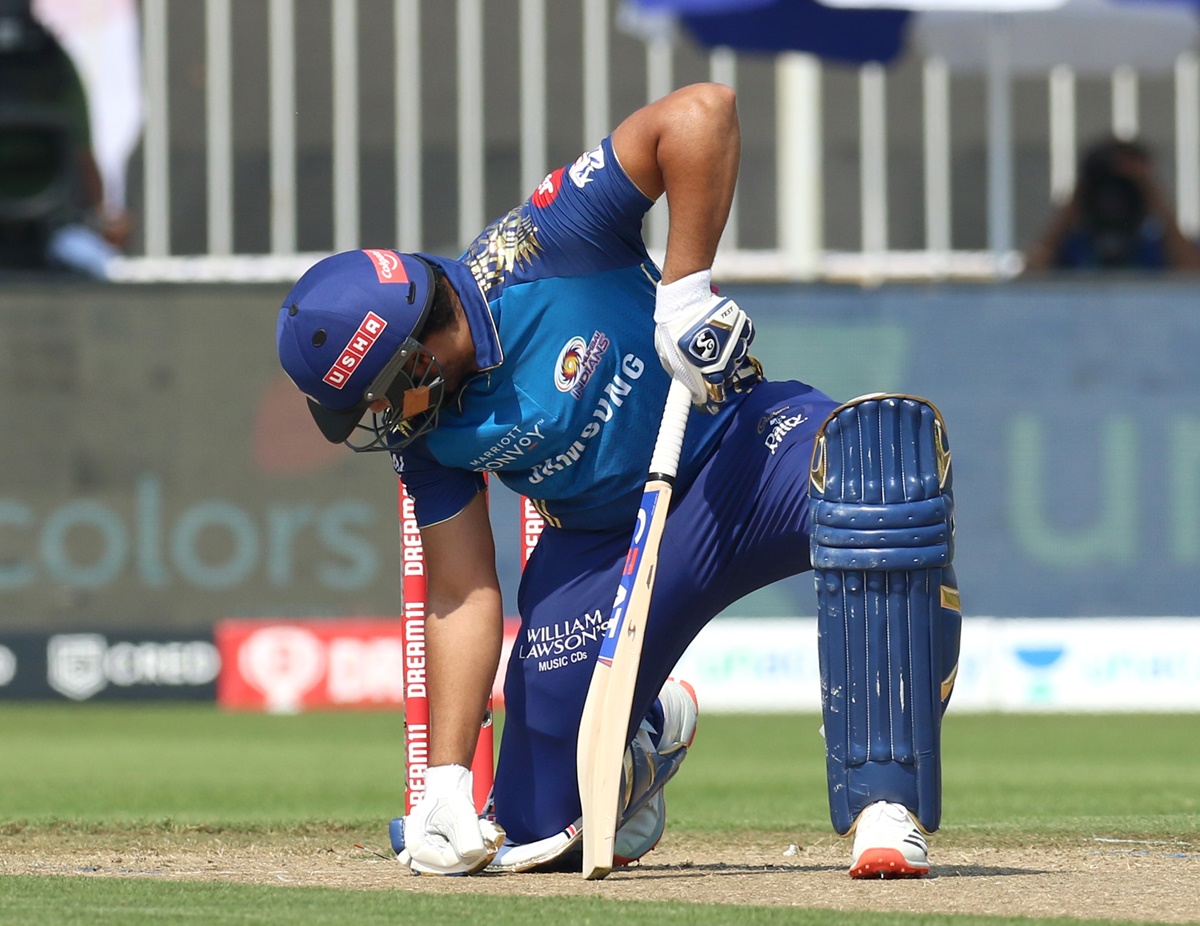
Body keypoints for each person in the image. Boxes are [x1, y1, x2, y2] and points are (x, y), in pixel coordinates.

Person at [276, 83, 962, 879]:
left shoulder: (546, 241)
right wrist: (449, 781)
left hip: (744, 453)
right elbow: (463, 591)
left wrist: (684, 293)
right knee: (537, 837)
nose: (382, 419)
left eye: (377, 396)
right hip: (606, 544)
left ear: (418, 353)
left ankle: (884, 804)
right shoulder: (425, 433)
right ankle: (644, 738)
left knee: (879, 471)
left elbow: (702, 112)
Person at [0, 0, 128, 276]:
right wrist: (101, 213)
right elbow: (84, 152)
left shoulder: (51, 61)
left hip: (47, 228)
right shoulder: (52, 60)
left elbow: (83, 151)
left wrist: (101, 214)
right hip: (48, 230)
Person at [1024, 137, 1200, 272]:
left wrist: (1151, 191)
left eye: (1125, 191)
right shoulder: (1072, 246)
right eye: (1103, 191)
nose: (1113, 200)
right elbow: (1028, 284)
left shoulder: (1158, 246)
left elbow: (1191, 279)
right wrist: (1074, 202)